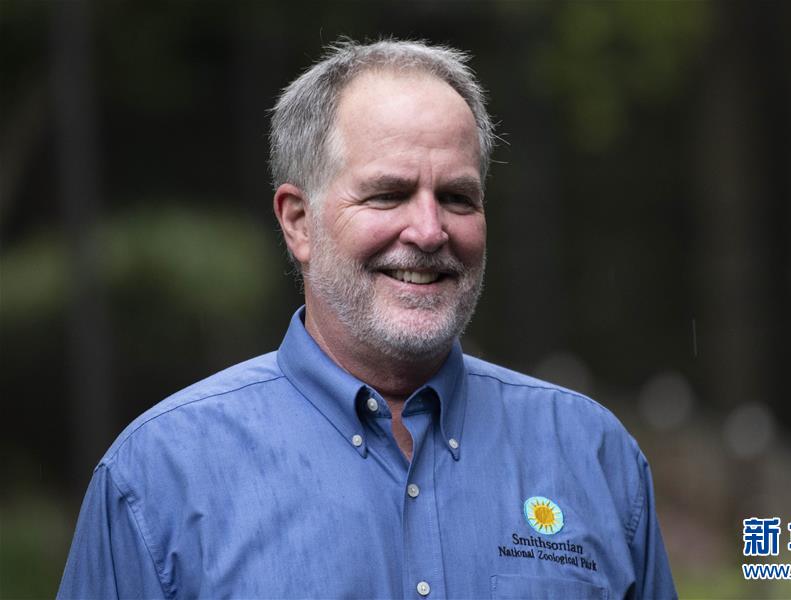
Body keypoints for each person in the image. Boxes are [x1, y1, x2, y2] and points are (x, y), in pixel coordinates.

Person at [59, 39, 676, 599]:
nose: (429, 230)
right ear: (298, 221)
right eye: (388, 195)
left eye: (457, 197)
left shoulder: (592, 455)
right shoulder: (161, 475)